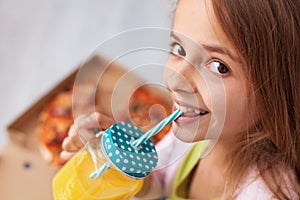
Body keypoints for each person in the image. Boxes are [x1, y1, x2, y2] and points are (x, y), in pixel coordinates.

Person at [60, 0, 300, 199]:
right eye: (179, 49)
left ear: (281, 91)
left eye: (218, 66)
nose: (176, 81)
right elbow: (158, 183)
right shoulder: (191, 132)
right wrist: (117, 167)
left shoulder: (269, 194)